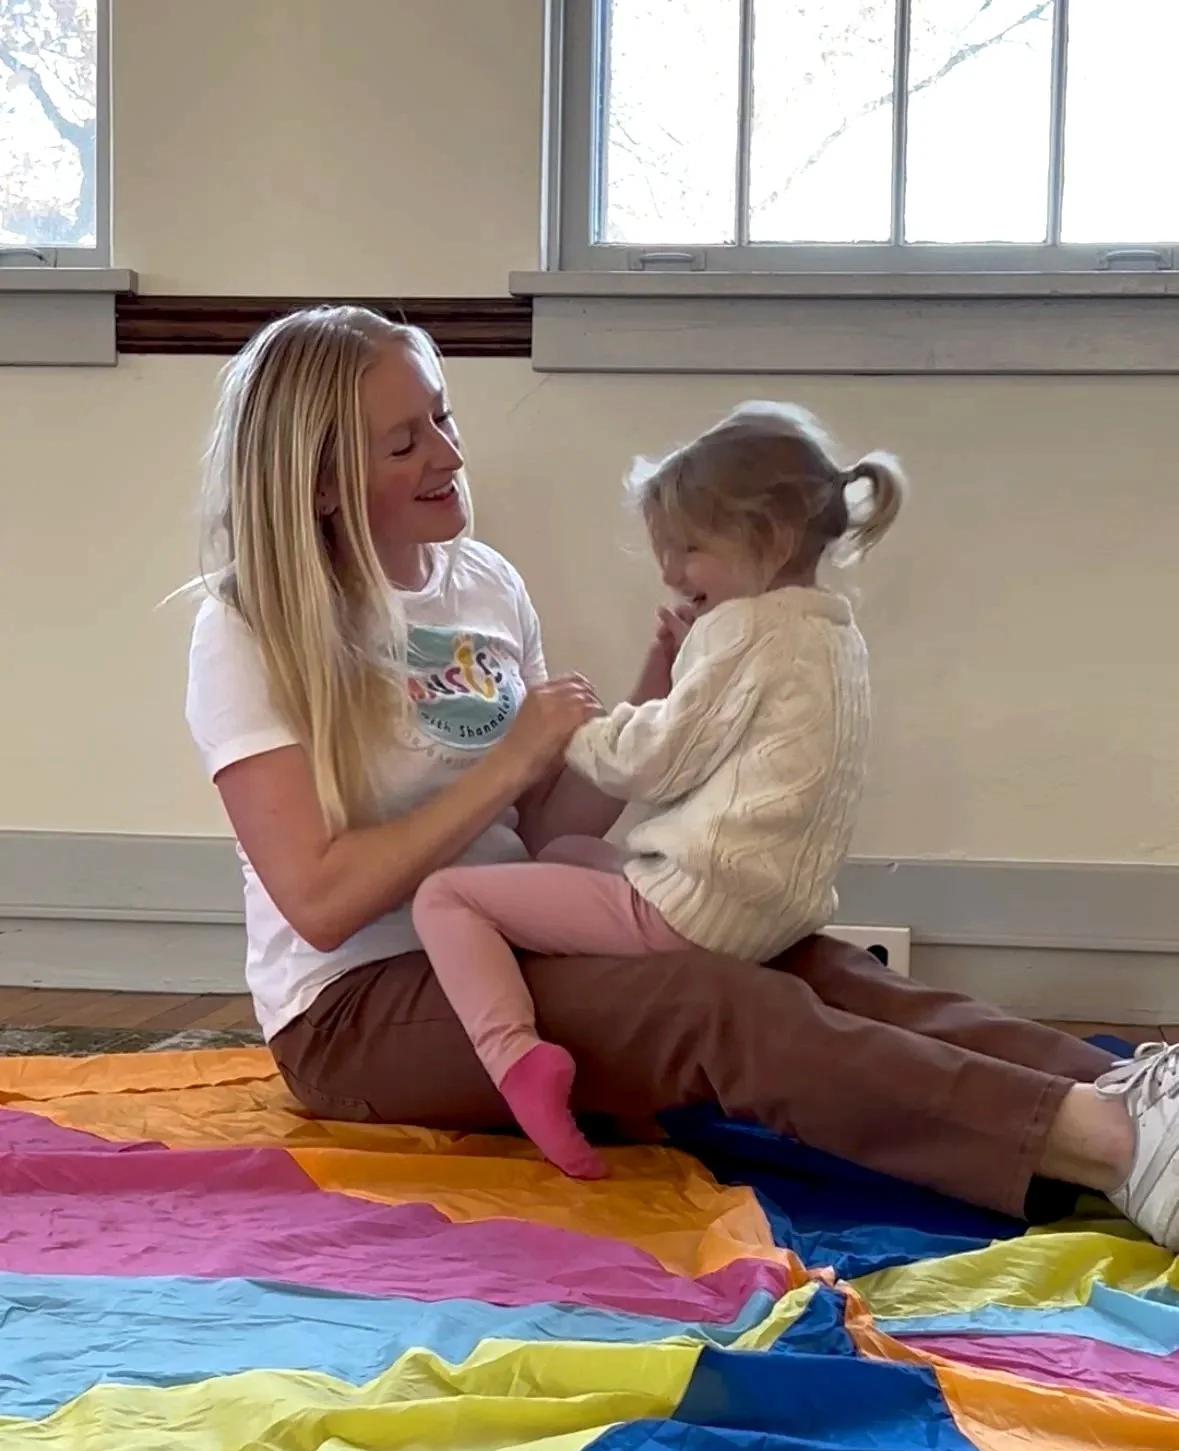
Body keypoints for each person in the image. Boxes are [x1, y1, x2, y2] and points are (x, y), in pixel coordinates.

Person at [184, 304, 1179, 1252]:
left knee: (807, 964)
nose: (448, 453)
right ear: (318, 483)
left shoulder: (484, 582)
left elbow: (543, 825)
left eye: (443, 415)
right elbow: (318, 900)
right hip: (359, 1007)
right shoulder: (248, 626)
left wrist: (648, 688)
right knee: (709, 1005)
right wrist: (512, 762)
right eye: (405, 443)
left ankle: (1135, 1090)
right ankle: (1115, 1149)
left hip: (508, 924)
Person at [411, 403, 904, 1179]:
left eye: (689, 550)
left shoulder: (744, 629)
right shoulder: (829, 631)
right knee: (572, 850)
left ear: (768, 541)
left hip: (693, 909)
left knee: (445, 897)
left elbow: (655, 764)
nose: (672, 574)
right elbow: (724, 745)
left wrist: (563, 729)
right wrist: (675, 676)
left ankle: (516, 1063)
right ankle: (629, 1080)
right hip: (771, 908)